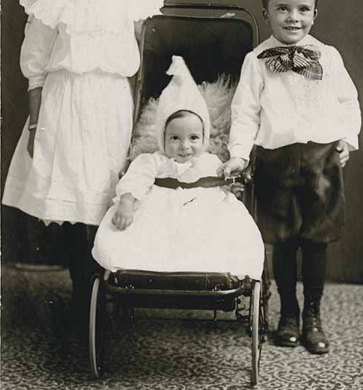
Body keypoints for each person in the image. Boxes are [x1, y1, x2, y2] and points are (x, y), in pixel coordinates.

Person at [2, 0, 166, 323]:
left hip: (112, 103)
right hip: (64, 106)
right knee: (76, 203)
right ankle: (84, 296)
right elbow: (35, 69)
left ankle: (112, 290)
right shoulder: (52, 0)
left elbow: (140, 66)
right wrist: (37, 123)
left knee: (111, 194)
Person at [223, 0, 361, 354]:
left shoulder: (328, 57)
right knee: (282, 242)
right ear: (266, 12)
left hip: (321, 160)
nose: (293, 18)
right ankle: (288, 312)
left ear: (315, 13)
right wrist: (238, 154)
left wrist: (347, 138)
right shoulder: (256, 60)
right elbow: (245, 113)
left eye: (302, 9)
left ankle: (313, 316)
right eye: (282, 9)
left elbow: (347, 101)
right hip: (275, 159)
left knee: (316, 241)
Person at [92, 56, 264, 279]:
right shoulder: (152, 161)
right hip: (158, 214)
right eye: (175, 138)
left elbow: (221, 183)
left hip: (202, 214)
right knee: (140, 242)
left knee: (221, 234)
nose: (185, 146)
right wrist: (126, 202)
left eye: (193, 138)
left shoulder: (211, 162)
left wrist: (228, 188)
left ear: (204, 138)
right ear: (163, 138)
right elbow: (135, 180)